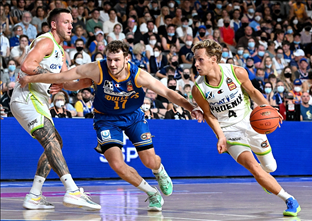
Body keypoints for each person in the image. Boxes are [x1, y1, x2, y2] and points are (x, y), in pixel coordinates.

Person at [19, 40, 203, 211]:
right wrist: (29, 79)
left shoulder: (138, 75)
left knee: (149, 161)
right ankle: (152, 193)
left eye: (117, 60)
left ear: (127, 59)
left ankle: (159, 170)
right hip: (106, 119)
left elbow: (168, 93)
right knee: (116, 163)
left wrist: (191, 107)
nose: (113, 64)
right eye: (109, 59)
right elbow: (63, 75)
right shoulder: (97, 69)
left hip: (133, 117)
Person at [191, 39, 301, 217]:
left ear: (213, 59)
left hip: (251, 123)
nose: (196, 64)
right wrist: (220, 136)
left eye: (200, 59)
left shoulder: (236, 72)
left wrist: (269, 109)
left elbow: (253, 93)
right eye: (194, 60)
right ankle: (290, 200)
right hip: (229, 131)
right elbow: (209, 115)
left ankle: (268, 181)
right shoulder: (199, 89)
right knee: (254, 167)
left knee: (270, 167)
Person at [10, 8, 101, 211]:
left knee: (56, 142)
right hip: (28, 97)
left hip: (39, 100)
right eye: (66, 22)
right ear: (54, 24)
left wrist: (88, 81)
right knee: (51, 140)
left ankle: (34, 196)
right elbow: (27, 66)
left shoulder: (61, 52)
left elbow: (65, 82)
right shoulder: (46, 41)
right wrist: (53, 77)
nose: (71, 26)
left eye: (71, 22)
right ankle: (73, 191)